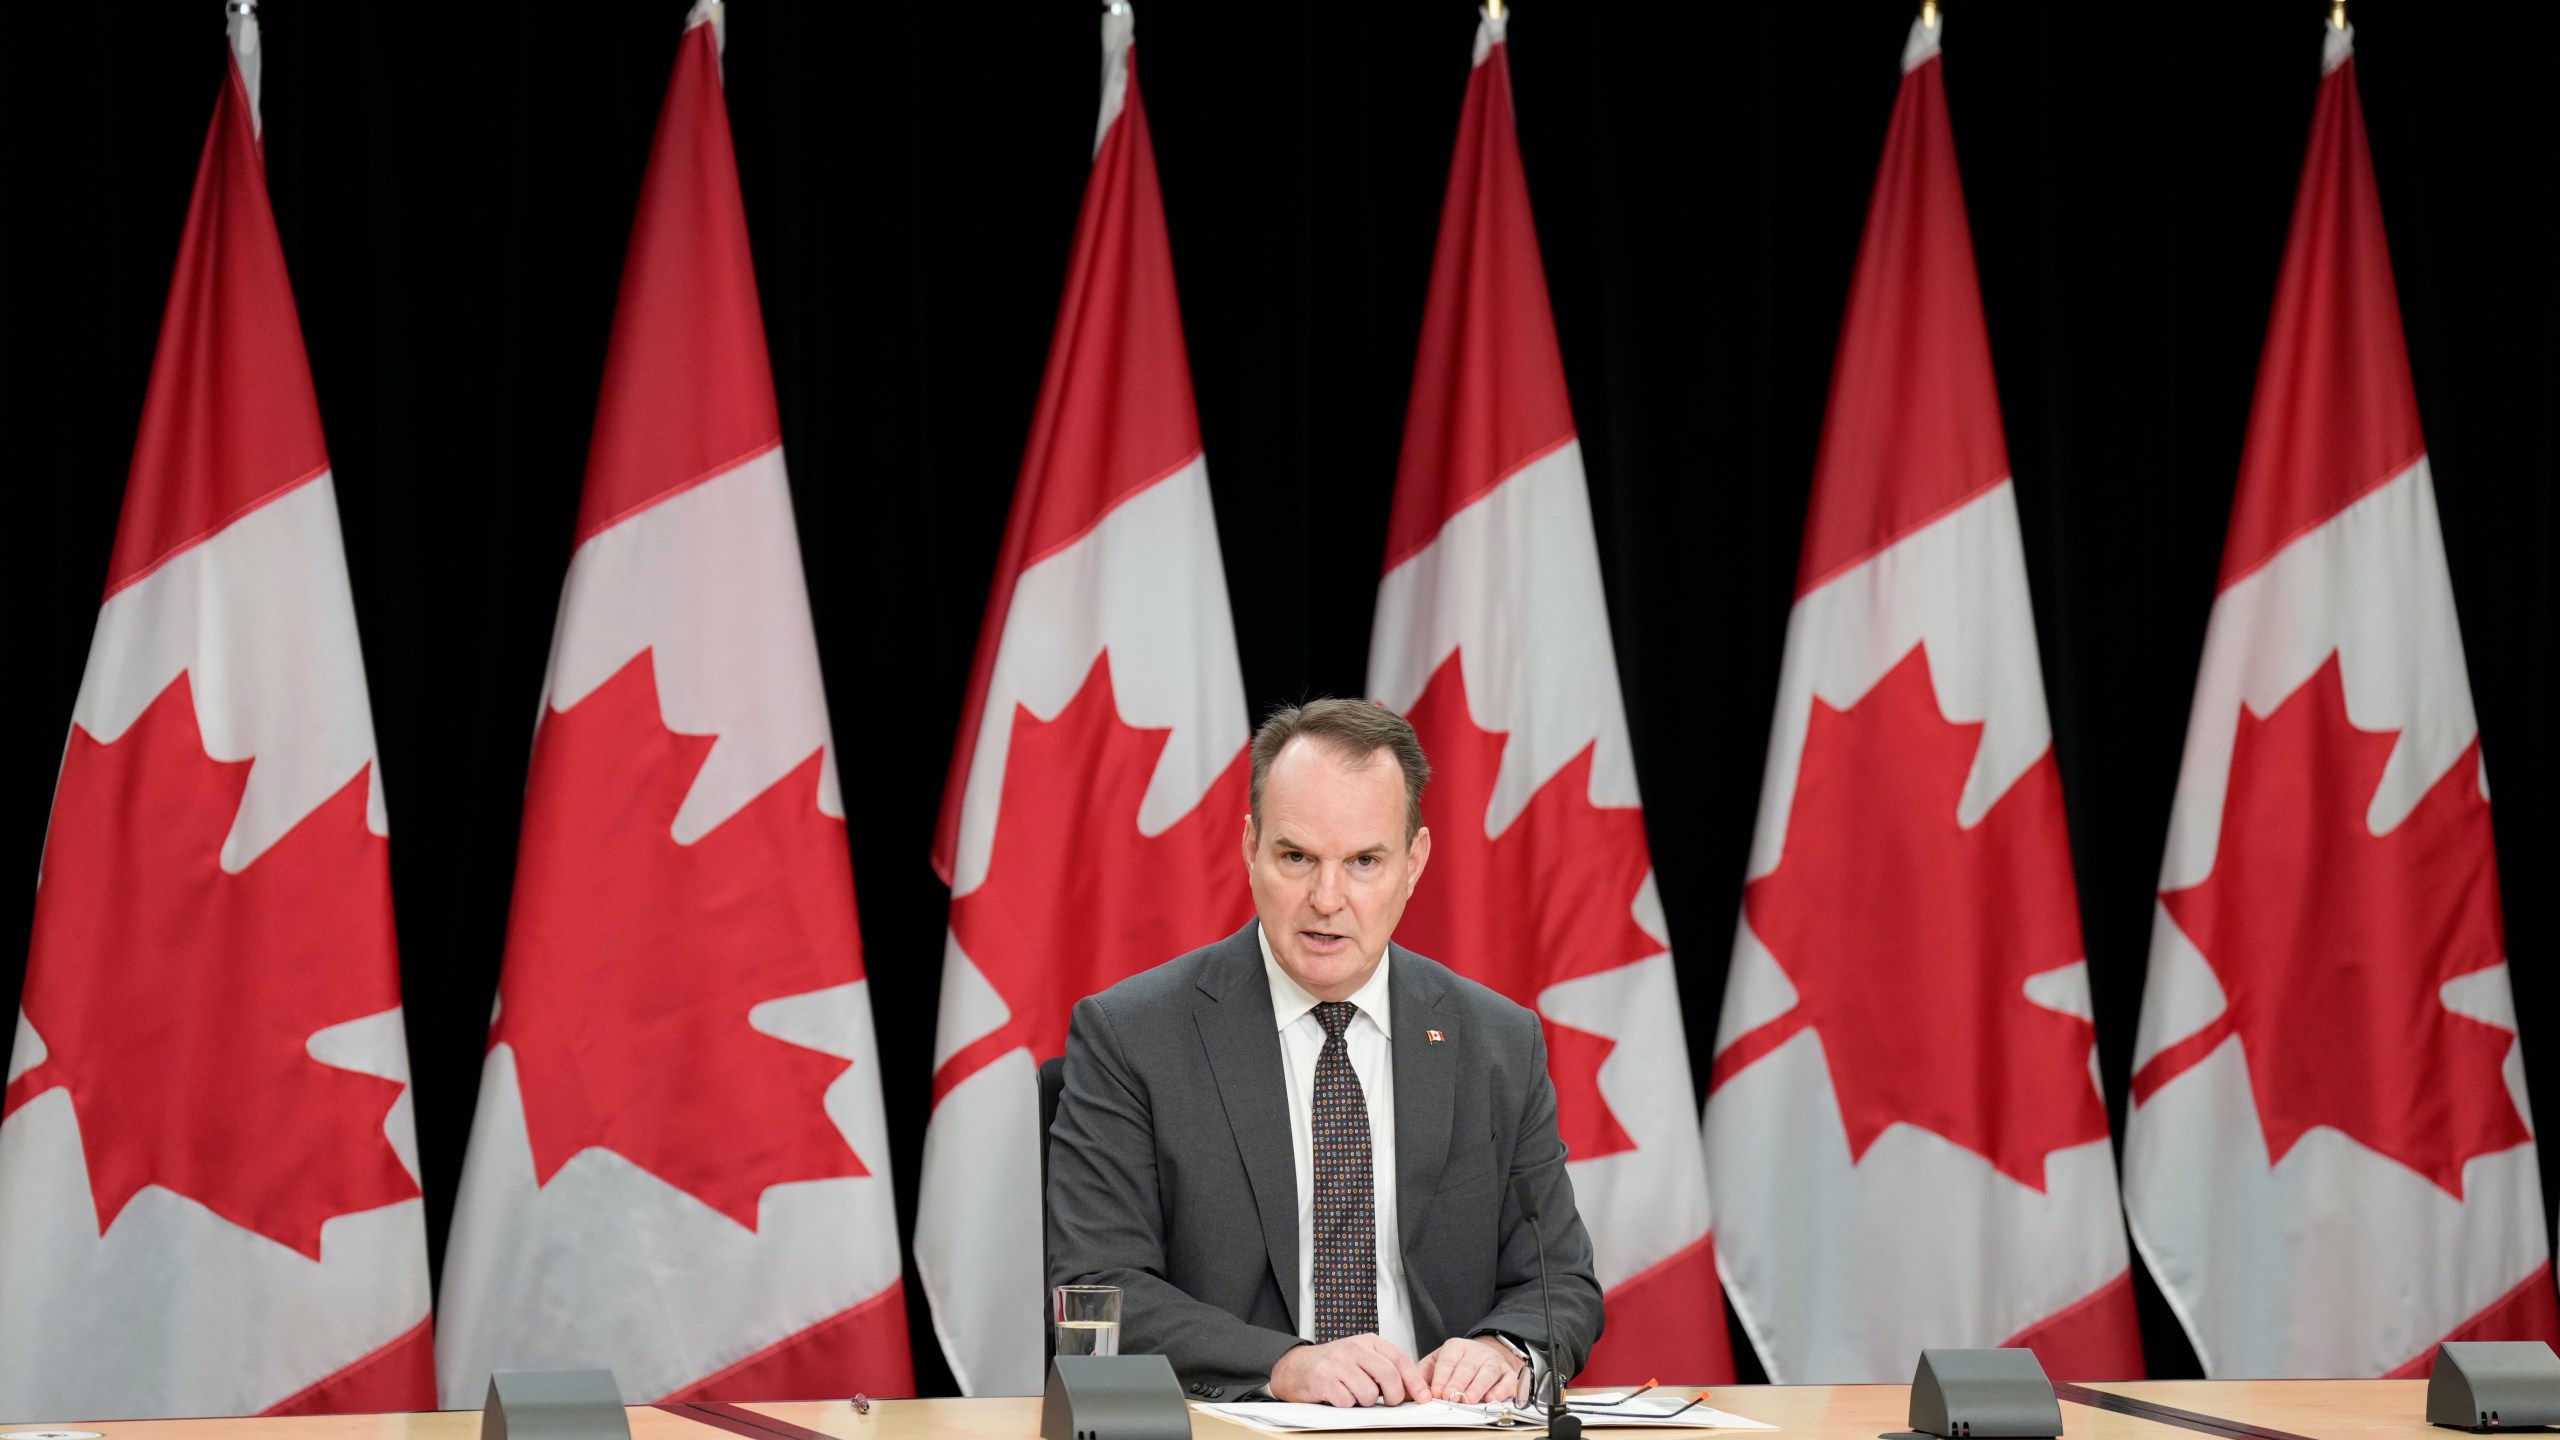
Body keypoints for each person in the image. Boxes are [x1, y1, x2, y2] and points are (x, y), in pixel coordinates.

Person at [1046, 697, 1604, 1408]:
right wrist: (1285, 1364)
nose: (1327, 897)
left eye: (1364, 861)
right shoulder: (1133, 1036)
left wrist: (1506, 1350)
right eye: (1297, 857)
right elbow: (1099, 1288)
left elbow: (1560, 1283)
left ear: (1414, 862)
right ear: (1251, 850)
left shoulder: (1498, 1042)